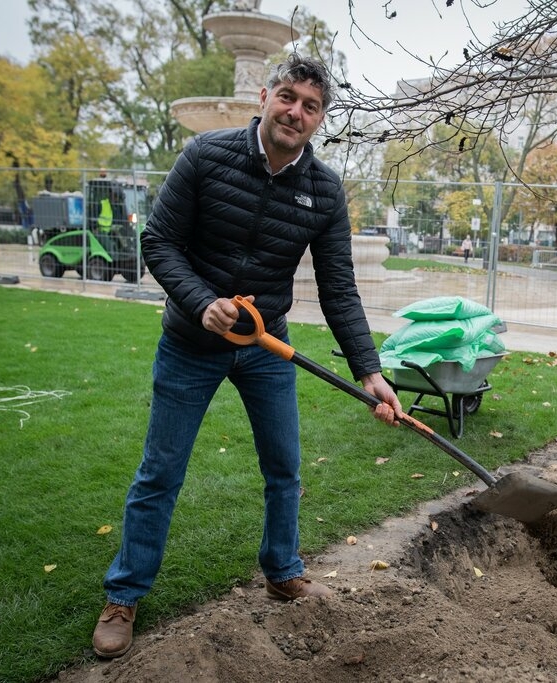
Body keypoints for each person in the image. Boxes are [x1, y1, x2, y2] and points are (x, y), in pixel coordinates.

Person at [92, 54, 404, 659]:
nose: (295, 112)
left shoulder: (324, 190)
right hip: (192, 341)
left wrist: (370, 371)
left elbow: (339, 287)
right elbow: (158, 240)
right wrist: (199, 301)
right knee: (161, 472)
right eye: (287, 97)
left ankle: (282, 570)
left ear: (320, 119)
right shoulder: (207, 156)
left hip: (265, 347)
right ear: (264, 96)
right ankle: (124, 595)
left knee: (284, 467)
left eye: (310, 106)